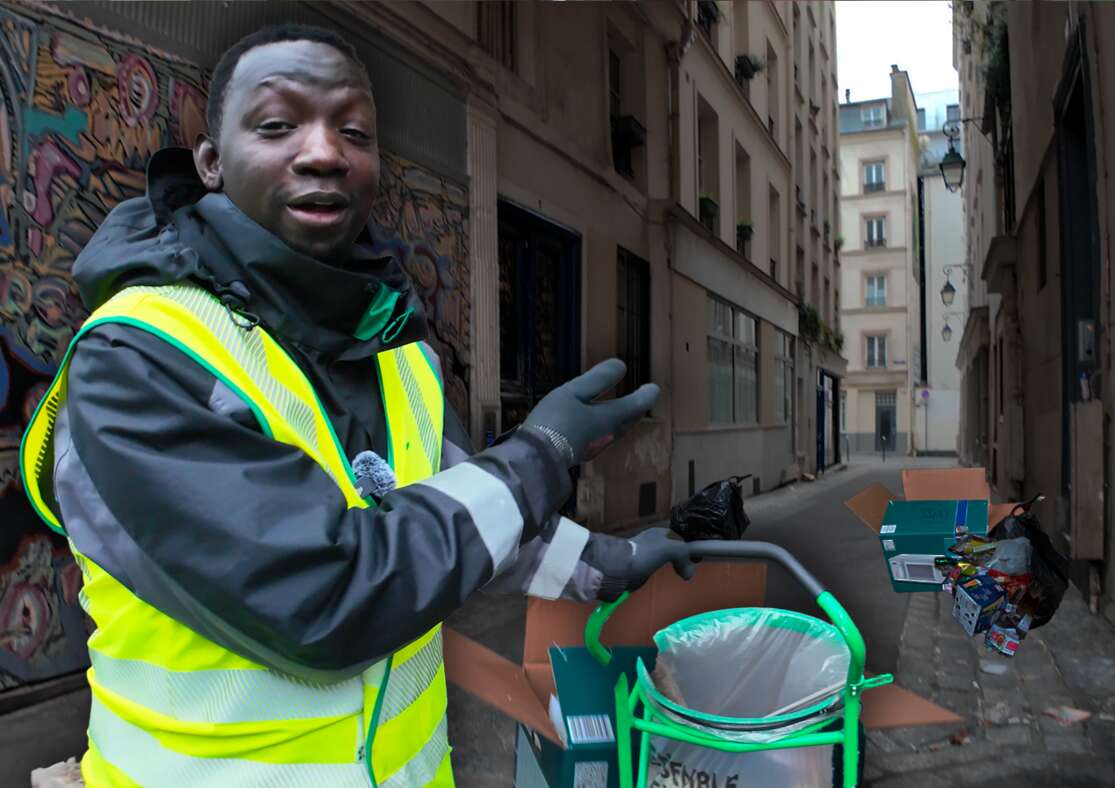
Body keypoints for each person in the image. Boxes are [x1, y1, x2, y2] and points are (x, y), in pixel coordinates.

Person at [20, 24, 692, 787]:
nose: (324, 152)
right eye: (277, 125)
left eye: (354, 131)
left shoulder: (397, 354)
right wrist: (541, 454)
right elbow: (328, 594)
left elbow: (455, 518)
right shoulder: (139, 357)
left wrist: (611, 562)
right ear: (209, 162)